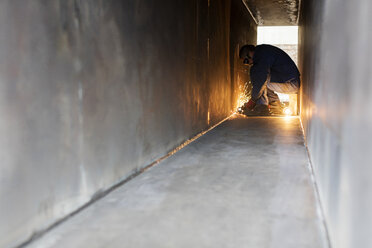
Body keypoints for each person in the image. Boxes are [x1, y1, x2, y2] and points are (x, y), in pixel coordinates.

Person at [239, 44, 300, 115]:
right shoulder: (262, 52)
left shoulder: (261, 56)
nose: (248, 63)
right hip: (291, 82)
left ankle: (261, 107)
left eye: (246, 61)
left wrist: (253, 100)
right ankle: (275, 107)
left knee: (260, 78)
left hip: (291, 83)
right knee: (261, 77)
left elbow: (261, 81)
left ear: (249, 53)